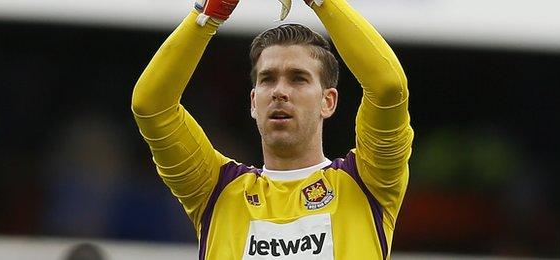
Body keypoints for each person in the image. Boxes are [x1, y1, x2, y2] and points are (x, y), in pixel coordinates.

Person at [131, 0, 413, 258]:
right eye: (267, 79)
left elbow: (388, 88)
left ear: (328, 101)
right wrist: (207, 15)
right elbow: (151, 105)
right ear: (254, 102)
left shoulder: (368, 181)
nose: (280, 92)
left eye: (298, 79)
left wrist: (322, 2)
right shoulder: (215, 190)